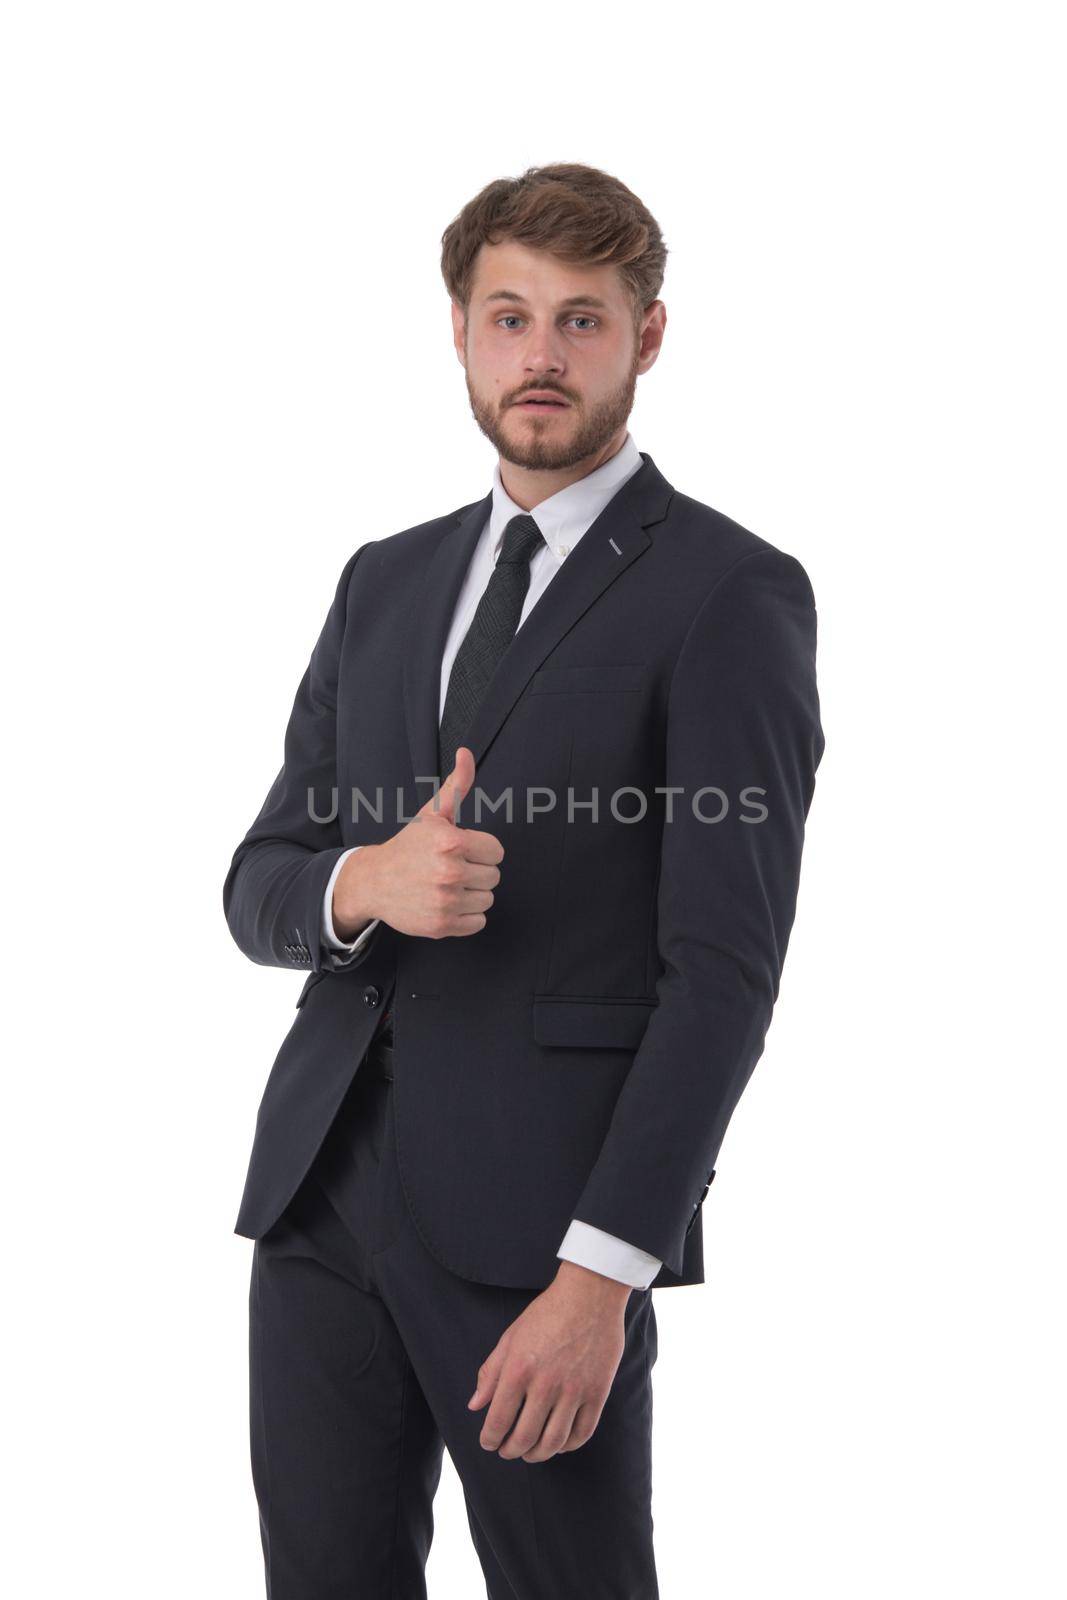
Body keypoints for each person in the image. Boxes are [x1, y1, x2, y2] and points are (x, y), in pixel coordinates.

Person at [223, 161, 824, 1599]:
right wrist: (368, 877)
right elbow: (262, 884)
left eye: (580, 320)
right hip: (319, 1212)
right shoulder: (383, 579)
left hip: (545, 1238)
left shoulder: (729, 594)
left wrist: (605, 1273)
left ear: (648, 337)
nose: (540, 355)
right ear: (459, 332)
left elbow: (724, 976)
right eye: (508, 317)